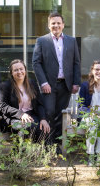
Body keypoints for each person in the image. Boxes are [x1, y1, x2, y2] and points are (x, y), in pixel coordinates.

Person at [32, 12, 81, 146]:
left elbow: (76, 62)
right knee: (49, 113)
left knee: (60, 114)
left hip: (66, 85)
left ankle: (57, 144)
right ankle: (47, 143)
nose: (56, 25)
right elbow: (36, 63)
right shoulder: (42, 41)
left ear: (63, 25)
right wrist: (43, 82)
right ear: (49, 25)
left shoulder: (71, 41)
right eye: (53, 23)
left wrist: (76, 82)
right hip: (48, 85)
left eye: (58, 23)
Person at [0, 59, 50, 141]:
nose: (19, 72)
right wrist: (21, 114)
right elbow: (2, 106)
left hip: (31, 115)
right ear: (11, 73)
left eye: (21, 69)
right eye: (16, 70)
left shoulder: (32, 83)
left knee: (43, 127)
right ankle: (20, 151)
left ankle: (48, 153)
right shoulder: (4, 86)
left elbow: (39, 103)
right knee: (28, 127)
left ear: (25, 70)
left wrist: (43, 119)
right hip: (13, 118)